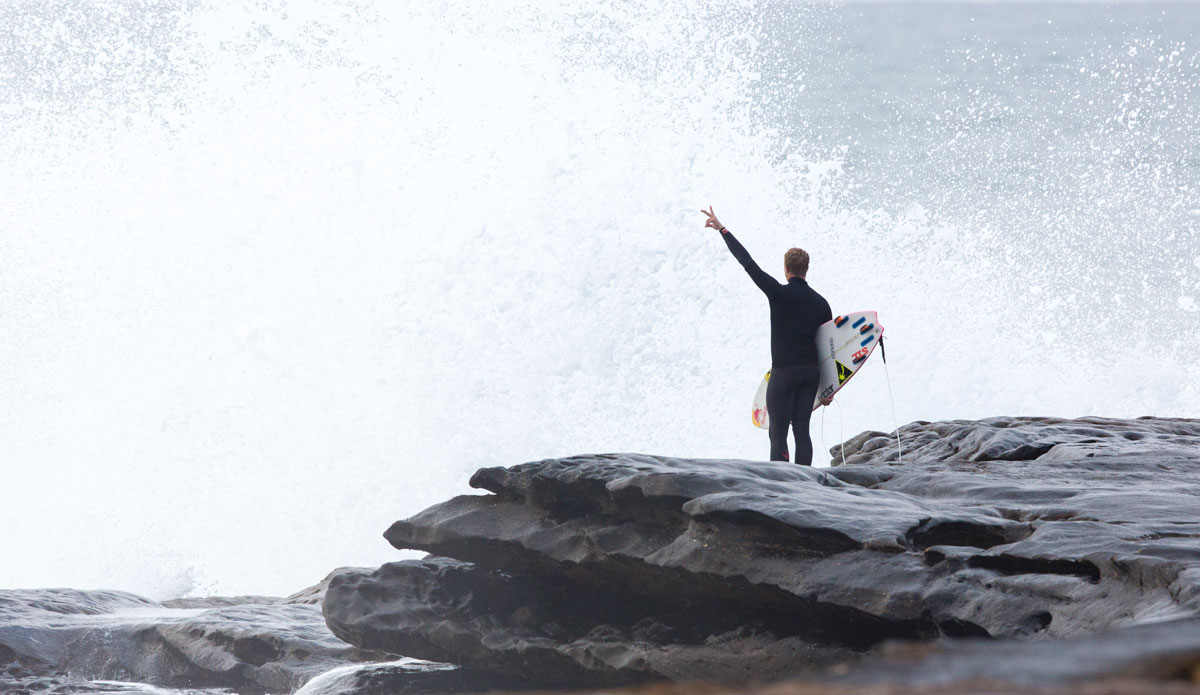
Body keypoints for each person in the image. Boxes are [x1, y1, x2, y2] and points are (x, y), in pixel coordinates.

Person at [702, 206, 832, 465]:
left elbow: (747, 263)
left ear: (786, 269)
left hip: (784, 372)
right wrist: (830, 387)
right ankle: (806, 484)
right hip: (810, 374)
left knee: (778, 433)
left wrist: (722, 229)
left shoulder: (778, 293)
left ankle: (782, 486)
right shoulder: (821, 303)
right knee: (802, 431)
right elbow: (829, 346)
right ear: (806, 269)